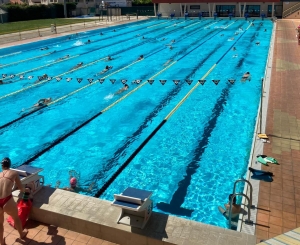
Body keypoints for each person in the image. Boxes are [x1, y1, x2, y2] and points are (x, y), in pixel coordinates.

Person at [0, 158, 28, 244]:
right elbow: (21, 188)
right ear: (10, 165)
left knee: (0, 223)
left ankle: (2, 242)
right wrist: (26, 190)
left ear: (2, 166)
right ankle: (21, 234)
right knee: (16, 217)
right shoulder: (14, 173)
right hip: (7, 200)